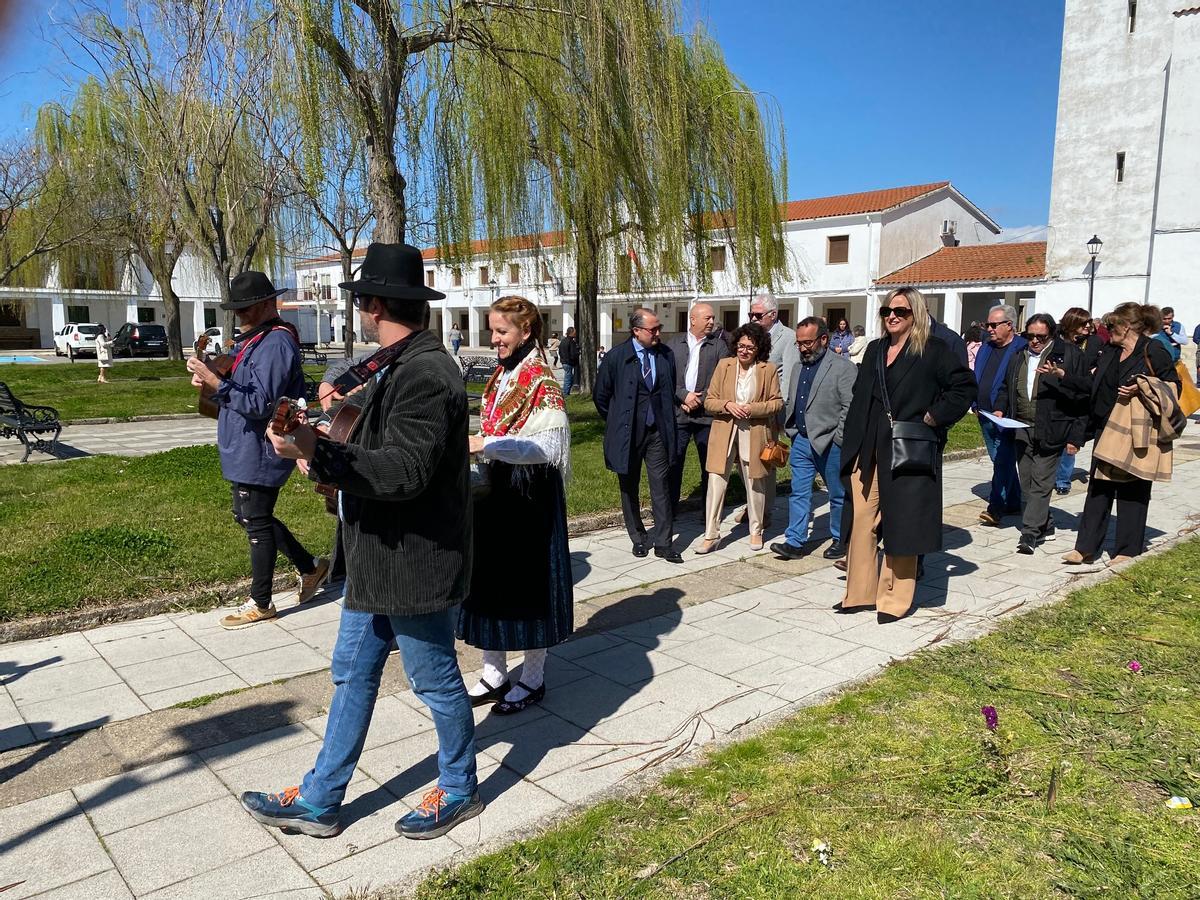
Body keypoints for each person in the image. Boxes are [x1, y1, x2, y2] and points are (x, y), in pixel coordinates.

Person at [242, 242, 480, 840]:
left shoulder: (427, 373)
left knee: (434, 679)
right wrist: (314, 442)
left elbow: (402, 472)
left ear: (374, 304)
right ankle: (322, 798)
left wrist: (320, 452)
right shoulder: (396, 364)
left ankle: (458, 786)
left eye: (361, 303)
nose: (361, 313)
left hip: (415, 560)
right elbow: (368, 443)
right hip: (375, 555)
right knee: (351, 672)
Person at [187, 272, 328, 629]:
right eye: (237, 309)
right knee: (249, 515)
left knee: (255, 521)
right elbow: (239, 386)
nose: (241, 315)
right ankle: (310, 567)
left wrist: (216, 381)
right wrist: (211, 378)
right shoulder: (252, 340)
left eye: (246, 308)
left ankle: (261, 601)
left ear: (268, 304)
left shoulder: (276, 343)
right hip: (242, 446)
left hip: (261, 448)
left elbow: (261, 403)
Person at [460, 296, 572, 714]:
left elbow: (547, 447)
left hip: (530, 497)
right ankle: (493, 672)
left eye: (502, 332)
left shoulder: (542, 378)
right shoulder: (501, 376)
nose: (495, 340)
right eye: (492, 331)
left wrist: (484, 444)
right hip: (496, 492)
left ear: (526, 332)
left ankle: (533, 677)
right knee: (492, 583)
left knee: (529, 588)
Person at [838, 287, 975, 623]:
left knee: (902, 521)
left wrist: (933, 417)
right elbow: (861, 395)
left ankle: (894, 599)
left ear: (916, 314)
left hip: (907, 447)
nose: (893, 316)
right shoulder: (874, 349)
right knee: (861, 521)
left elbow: (964, 388)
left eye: (901, 311)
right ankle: (860, 592)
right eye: (887, 311)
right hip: (867, 446)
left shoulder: (934, 350)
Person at [1059, 303, 1181, 565]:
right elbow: (1095, 385)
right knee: (1098, 488)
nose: (1106, 331)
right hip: (1107, 426)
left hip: (1137, 429)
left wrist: (1141, 388)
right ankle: (1086, 547)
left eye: (1111, 326)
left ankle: (1127, 549)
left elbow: (1174, 386)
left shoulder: (1153, 349)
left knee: (1133, 489)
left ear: (1126, 327)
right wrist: (1065, 377)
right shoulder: (1111, 351)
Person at [994, 313, 1087, 554]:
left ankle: (1030, 533)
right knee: (1026, 481)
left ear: (1051, 335)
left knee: (1041, 481)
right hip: (1021, 426)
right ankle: (1047, 523)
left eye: (1040, 337)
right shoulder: (1018, 356)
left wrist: (1075, 437)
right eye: (1030, 336)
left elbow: (1084, 393)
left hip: (1052, 427)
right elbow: (1007, 386)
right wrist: (1000, 408)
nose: (1034, 341)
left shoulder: (1069, 355)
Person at [594, 308, 682, 562]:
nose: (658, 333)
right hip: (629, 434)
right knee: (629, 486)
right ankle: (639, 537)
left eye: (658, 328)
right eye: (652, 329)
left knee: (661, 486)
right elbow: (601, 396)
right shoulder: (616, 357)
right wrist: (617, 421)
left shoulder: (665, 355)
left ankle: (664, 542)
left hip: (658, 433)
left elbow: (668, 390)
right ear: (636, 331)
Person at [770, 317, 855, 560]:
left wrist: (838, 438)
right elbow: (794, 400)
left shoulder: (843, 368)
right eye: (799, 343)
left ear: (824, 339)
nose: (803, 348)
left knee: (837, 494)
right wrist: (792, 431)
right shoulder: (798, 367)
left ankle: (841, 538)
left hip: (831, 443)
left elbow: (850, 407)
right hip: (801, 440)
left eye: (808, 342)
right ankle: (795, 541)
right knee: (798, 492)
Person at [695, 322, 782, 553]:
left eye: (750, 348)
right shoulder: (724, 365)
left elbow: (776, 402)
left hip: (753, 432)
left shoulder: (767, 369)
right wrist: (728, 405)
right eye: (741, 346)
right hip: (724, 430)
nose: (744, 351)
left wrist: (753, 409)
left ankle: (756, 530)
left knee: (755, 482)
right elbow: (709, 400)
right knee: (715, 482)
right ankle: (711, 534)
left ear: (759, 349)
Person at [666, 302, 730, 509]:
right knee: (673, 463)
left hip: (707, 416)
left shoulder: (719, 346)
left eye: (713, 318)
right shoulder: (674, 344)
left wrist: (698, 401)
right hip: (679, 413)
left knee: (708, 466)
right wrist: (683, 396)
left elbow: (722, 381)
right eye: (707, 318)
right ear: (693, 319)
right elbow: (666, 378)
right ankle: (670, 511)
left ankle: (708, 513)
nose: (712, 322)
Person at [974, 304, 1027, 526]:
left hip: (1007, 416)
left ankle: (996, 507)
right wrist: (975, 402)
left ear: (1009, 325)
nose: (989, 329)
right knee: (999, 459)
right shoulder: (986, 346)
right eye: (988, 324)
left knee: (1003, 460)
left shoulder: (1021, 348)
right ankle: (1014, 501)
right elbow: (977, 373)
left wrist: (1004, 408)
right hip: (984, 413)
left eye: (994, 325)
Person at [747, 293, 794, 525]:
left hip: (772, 409)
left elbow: (788, 377)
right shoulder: (752, 336)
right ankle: (752, 505)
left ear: (773, 315)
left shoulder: (788, 338)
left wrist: (777, 410)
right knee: (748, 458)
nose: (753, 319)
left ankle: (764, 511)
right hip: (751, 407)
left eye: (757, 315)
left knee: (767, 457)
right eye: (751, 315)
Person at [1054, 307, 1105, 494]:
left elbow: (1101, 361)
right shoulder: (1057, 339)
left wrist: (1095, 371)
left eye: (1089, 322)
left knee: (1071, 440)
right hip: (1058, 391)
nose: (1088, 326)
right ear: (1072, 323)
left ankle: (1062, 480)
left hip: (1082, 394)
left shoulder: (1094, 342)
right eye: (1084, 323)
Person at [560, 326, 581, 395]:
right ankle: (566, 393)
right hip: (569, 362)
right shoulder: (571, 342)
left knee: (569, 377)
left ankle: (567, 391)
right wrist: (578, 352)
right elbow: (573, 353)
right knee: (568, 378)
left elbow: (560, 351)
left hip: (564, 361)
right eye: (574, 333)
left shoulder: (563, 341)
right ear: (571, 333)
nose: (575, 334)